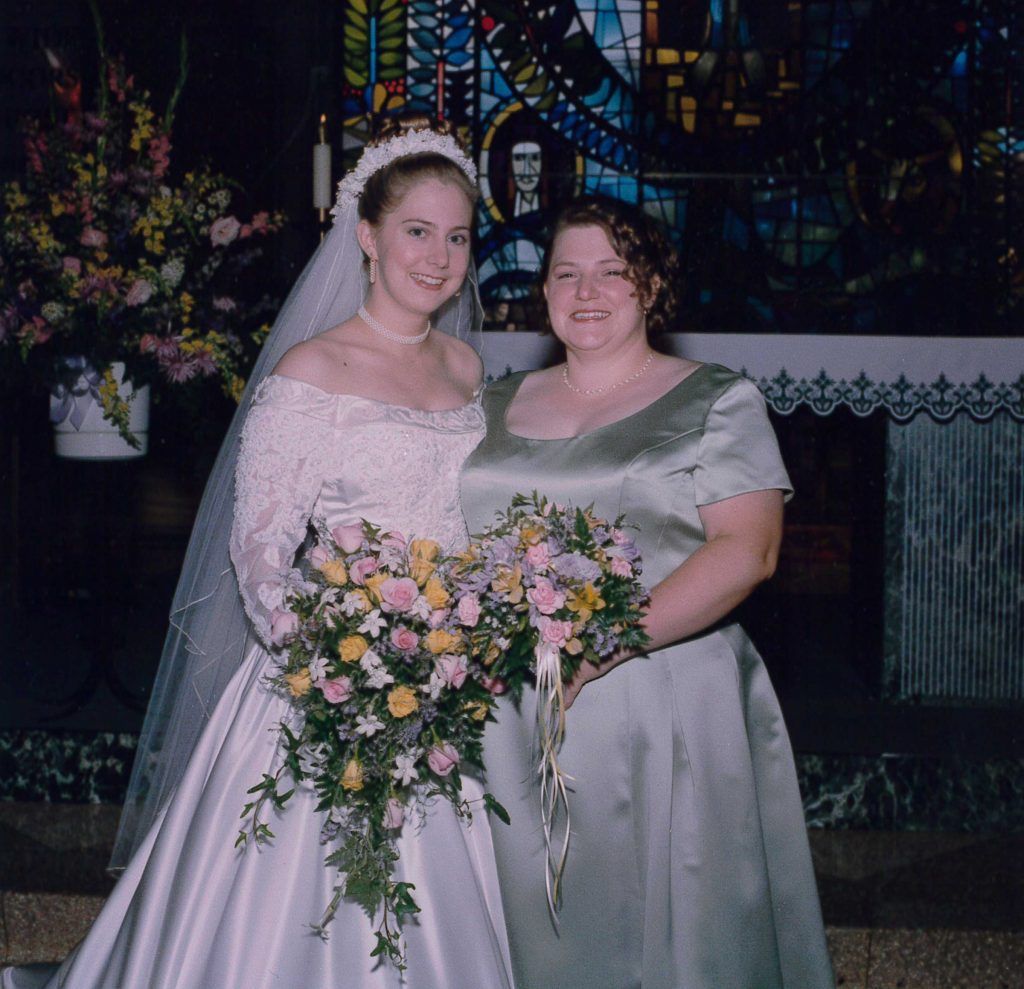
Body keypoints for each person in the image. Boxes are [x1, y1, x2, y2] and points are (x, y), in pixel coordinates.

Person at [3, 116, 513, 989]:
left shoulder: (469, 368)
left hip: (453, 676)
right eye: (416, 231)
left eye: (457, 236)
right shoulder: (310, 372)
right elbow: (262, 548)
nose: (438, 257)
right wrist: (332, 655)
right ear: (366, 235)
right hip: (327, 679)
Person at [459, 196, 835, 988]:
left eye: (612, 272)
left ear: (651, 285)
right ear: (544, 291)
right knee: (523, 919)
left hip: (660, 689)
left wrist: (604, 645)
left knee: (664, 923)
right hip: (505, 701)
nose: (586, 291)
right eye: (567, 273)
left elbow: (749, 549)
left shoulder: (714, 399)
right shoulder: (489, 404)